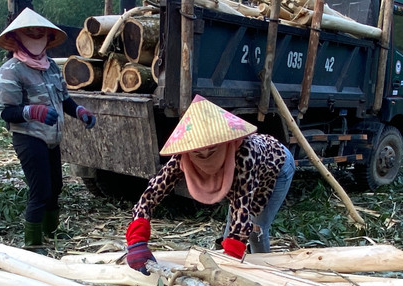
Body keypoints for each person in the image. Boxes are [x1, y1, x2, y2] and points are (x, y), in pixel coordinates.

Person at [124, 96, 295, 272]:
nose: (205, 155)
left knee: (256, 230)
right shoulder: (183, 158)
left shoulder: (245, 153)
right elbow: (151, 194)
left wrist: (228, 266)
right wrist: (137, 240)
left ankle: (265, 273)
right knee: (232, 231)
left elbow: (242, 207)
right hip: (246, 177)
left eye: (212, 150)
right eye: (199, 152)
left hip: (277, 169)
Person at [0, 7, 97, 250]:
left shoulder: (50, 66)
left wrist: (79, 111)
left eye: (41, 34)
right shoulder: (10, 71)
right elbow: (6, 112)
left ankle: (52, 233)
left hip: (52, 137)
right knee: (39, 190)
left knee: (55, 187)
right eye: (31, 33)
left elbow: (64, 99)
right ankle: (33, 243)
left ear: (48, 38)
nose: (37, 37)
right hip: (29, 137)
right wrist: (33, 111)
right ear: (18, 38)